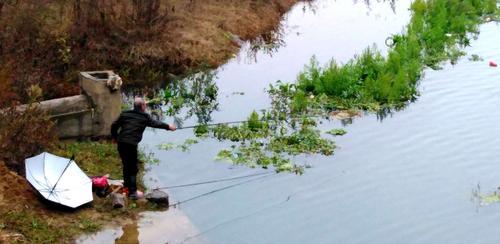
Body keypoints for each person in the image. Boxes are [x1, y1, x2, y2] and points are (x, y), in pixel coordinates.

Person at [111, 97, 176, 199]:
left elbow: (114, 125)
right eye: (145, 104)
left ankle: (127, 186)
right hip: (131, 144)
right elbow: (156, 123)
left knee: (126, 164)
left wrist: (114, 137)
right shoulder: (144, 116)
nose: (146, 106)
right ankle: (133, 194)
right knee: (132, 168)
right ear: (142, 106)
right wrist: (168, 127)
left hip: (121, 142)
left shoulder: (125, 114)